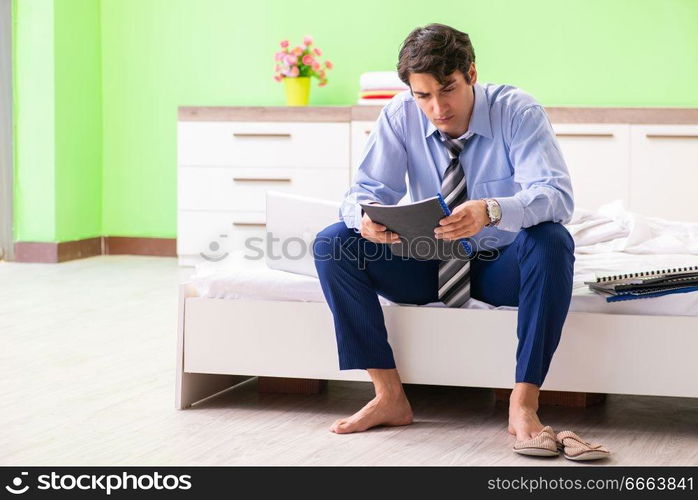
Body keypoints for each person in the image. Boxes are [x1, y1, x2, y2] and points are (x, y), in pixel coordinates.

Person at [312, 23, 576, 453]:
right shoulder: (399, 115)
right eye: (423, 96)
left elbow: (556, 197)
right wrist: (365, 219)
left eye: (447, 89)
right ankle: (388, 396)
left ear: (471, 73)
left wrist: (491, 210)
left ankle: (523, 403)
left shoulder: (518, 112)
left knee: (551, 241)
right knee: (332, 243)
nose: (437, 108)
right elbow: (362, 193)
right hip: (426, 262)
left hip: (499, 268)